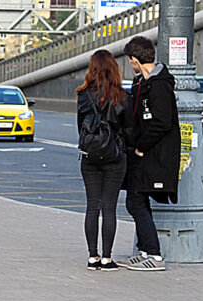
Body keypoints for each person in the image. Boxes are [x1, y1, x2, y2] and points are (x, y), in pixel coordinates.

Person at [120, 35, 180, 272]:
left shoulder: (160, 85)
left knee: (135, 201)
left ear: (135, 59)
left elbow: (162, 122)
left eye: (130, 60)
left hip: (155, 154)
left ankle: (154, 255)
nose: (130, 64)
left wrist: (141, 147)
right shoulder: (141, 82)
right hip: (143, 153)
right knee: (137, 199)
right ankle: (145, 251)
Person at [76, 50, 131, 272]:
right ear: (113, 69)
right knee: (109, 207)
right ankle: (107, 258)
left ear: (92, 69)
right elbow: (129, 129)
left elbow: (81, 126)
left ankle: (92, 257)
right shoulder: (122, 96)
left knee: (92, 206)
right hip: (115, 157)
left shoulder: (83, 95)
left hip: (90, 156)